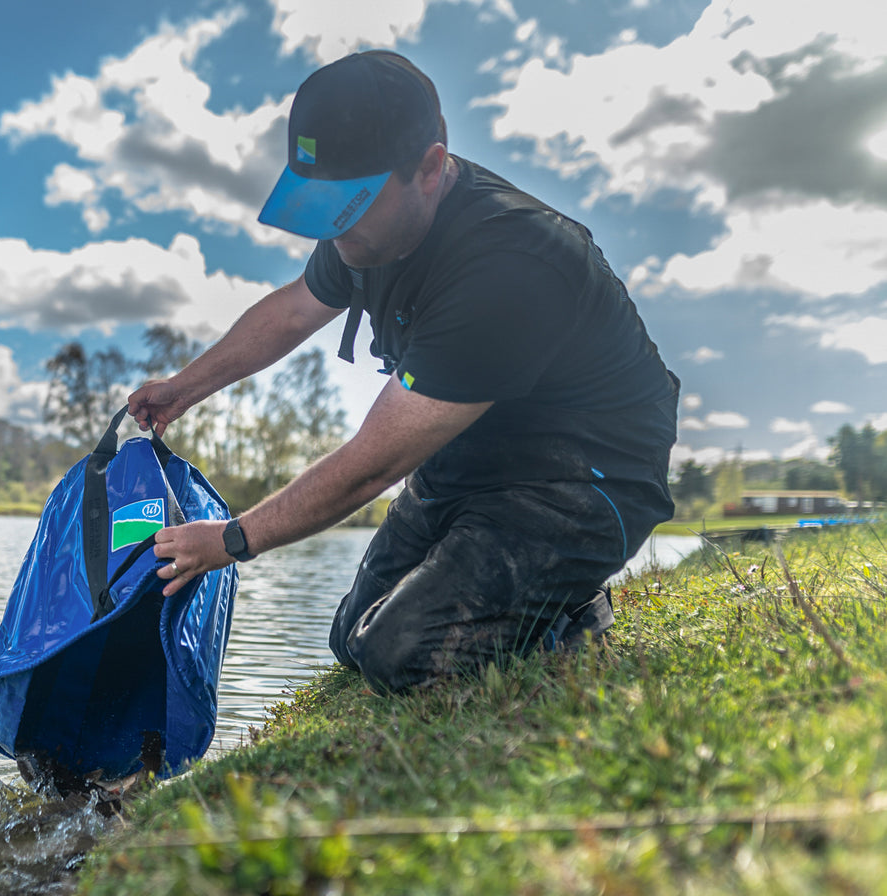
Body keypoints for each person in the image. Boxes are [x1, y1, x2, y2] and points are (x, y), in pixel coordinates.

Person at [127, 50, 679, 694]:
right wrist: (181, 391)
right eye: (320, 206)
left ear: (430, 167)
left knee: (401, 654)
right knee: (351, 637)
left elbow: (374, 462)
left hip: (580, 478)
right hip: (466, 462)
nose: (336, 234)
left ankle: (569, 607)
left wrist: (231, 539)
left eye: (351, 204)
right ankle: (525, 599)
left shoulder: (511, 265)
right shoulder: (364, 233)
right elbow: (294, 309)